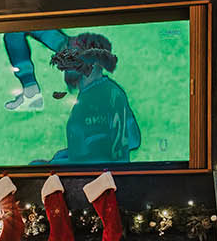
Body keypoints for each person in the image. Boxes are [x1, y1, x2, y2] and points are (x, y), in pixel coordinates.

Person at [38, 32, 141, 164]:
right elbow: (133, 141)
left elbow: (87, 162)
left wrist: (51, 165)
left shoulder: (87, 104)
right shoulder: (115, 91)